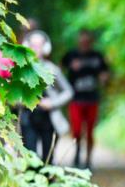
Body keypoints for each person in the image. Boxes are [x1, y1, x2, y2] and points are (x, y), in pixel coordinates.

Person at [20, 30, 73, 165]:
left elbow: (68, 92)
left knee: (48, 159)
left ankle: (47, 177)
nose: (35, 49)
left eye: (39, 46)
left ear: (45, 48)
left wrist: (52, 103)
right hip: (28, 118)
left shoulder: (53, 69)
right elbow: (13, 94)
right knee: (30, 158)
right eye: (33, 45)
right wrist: (24, 100)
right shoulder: (20, 68)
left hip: (49, 119)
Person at [61, 29, 110, 169]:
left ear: (91, 42)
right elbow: (58, 71)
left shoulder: (97, 56)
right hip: (75, 99)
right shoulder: (71, 55)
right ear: (78, 42)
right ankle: (77, 154)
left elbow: (105, 72)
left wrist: (104, 78)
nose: (84, 43)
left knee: (89, 131)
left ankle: (88, 160)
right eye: (82, 41)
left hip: (92, 99)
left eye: (87, 41)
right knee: (76, 130)